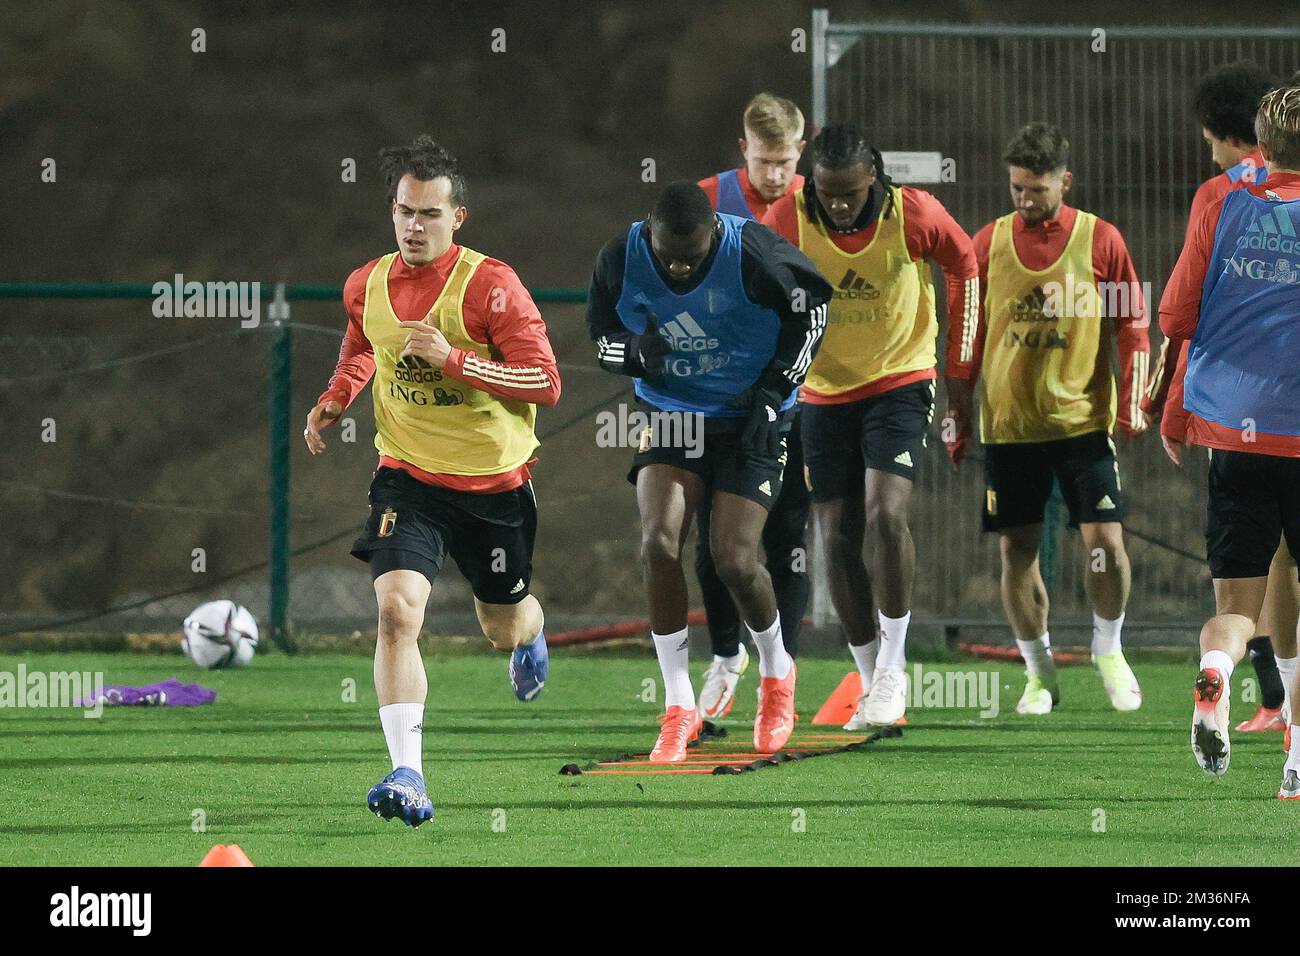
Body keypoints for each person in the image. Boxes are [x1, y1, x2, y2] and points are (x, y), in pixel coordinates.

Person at [305, 136, 561, 826]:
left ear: (459, 218)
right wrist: (338, 395)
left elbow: (546, 381)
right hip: (407, 480)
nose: (415, 226)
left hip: (494, 489)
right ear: (392, 212)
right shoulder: (366, 282)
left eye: (430, 214)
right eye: (404, 212)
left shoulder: (490, 285)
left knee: (500, 626)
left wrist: (456, 361)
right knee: (395, 613)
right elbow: (364, 344)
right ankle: (408, 773)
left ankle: (529, 631)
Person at [588, 181, 830, 760]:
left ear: (713, 236)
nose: (677, 266)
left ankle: (777, 673)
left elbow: (815, 310)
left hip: (750, 414)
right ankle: (679, 706)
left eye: (690, 259)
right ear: (649, 231)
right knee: (657, 544)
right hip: (673, 414)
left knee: (735, 560)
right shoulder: (621, 256)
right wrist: (634, 352)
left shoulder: (754, 253)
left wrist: (776, 390)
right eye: (667, 255)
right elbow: (600, 338)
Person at [762, 124, 979, 729]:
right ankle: (866, 674)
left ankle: (893, 668)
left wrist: (960, 379)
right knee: (834, 537)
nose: (837, 205)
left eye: (850, 194)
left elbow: (967, 268)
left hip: (900, 378)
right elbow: (761, 293)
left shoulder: (913, 215)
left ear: (874, 183)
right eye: (827, 193)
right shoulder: (788, 217)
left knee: (886, 514)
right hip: (824, 392)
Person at [958, 122, 1150, 716]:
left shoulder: (1101, 239)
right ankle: (1039, 676)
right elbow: (969, 334)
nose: (1025, 200)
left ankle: (1108, 650)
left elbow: (1133, 326)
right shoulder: (986, 243)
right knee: (1016, 554)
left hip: (1083, 425)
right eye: (1017, 188)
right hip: (1012, 429)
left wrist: (1133, 398)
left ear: (1065, 181)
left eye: (1036, 189)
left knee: (1105, 545)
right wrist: (957, 413)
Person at [1143, 62, 1295, 734]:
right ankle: (1295, 752)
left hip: (1232, 432)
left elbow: (1176, 317)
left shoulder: (1221, 201)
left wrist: (1173, 413)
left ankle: (1221, 670)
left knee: (1237, 602)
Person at [693, 93, 810, 721]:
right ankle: (725, 655)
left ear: (802, 151)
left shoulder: (817, 205)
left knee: (790, 536)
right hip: (720, 401)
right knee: (714, 545)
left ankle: (778, 676)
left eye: (785, 162)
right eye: (764, 161)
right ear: (745, 150)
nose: (775, 175)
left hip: (799, 395)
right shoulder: (707, 199)